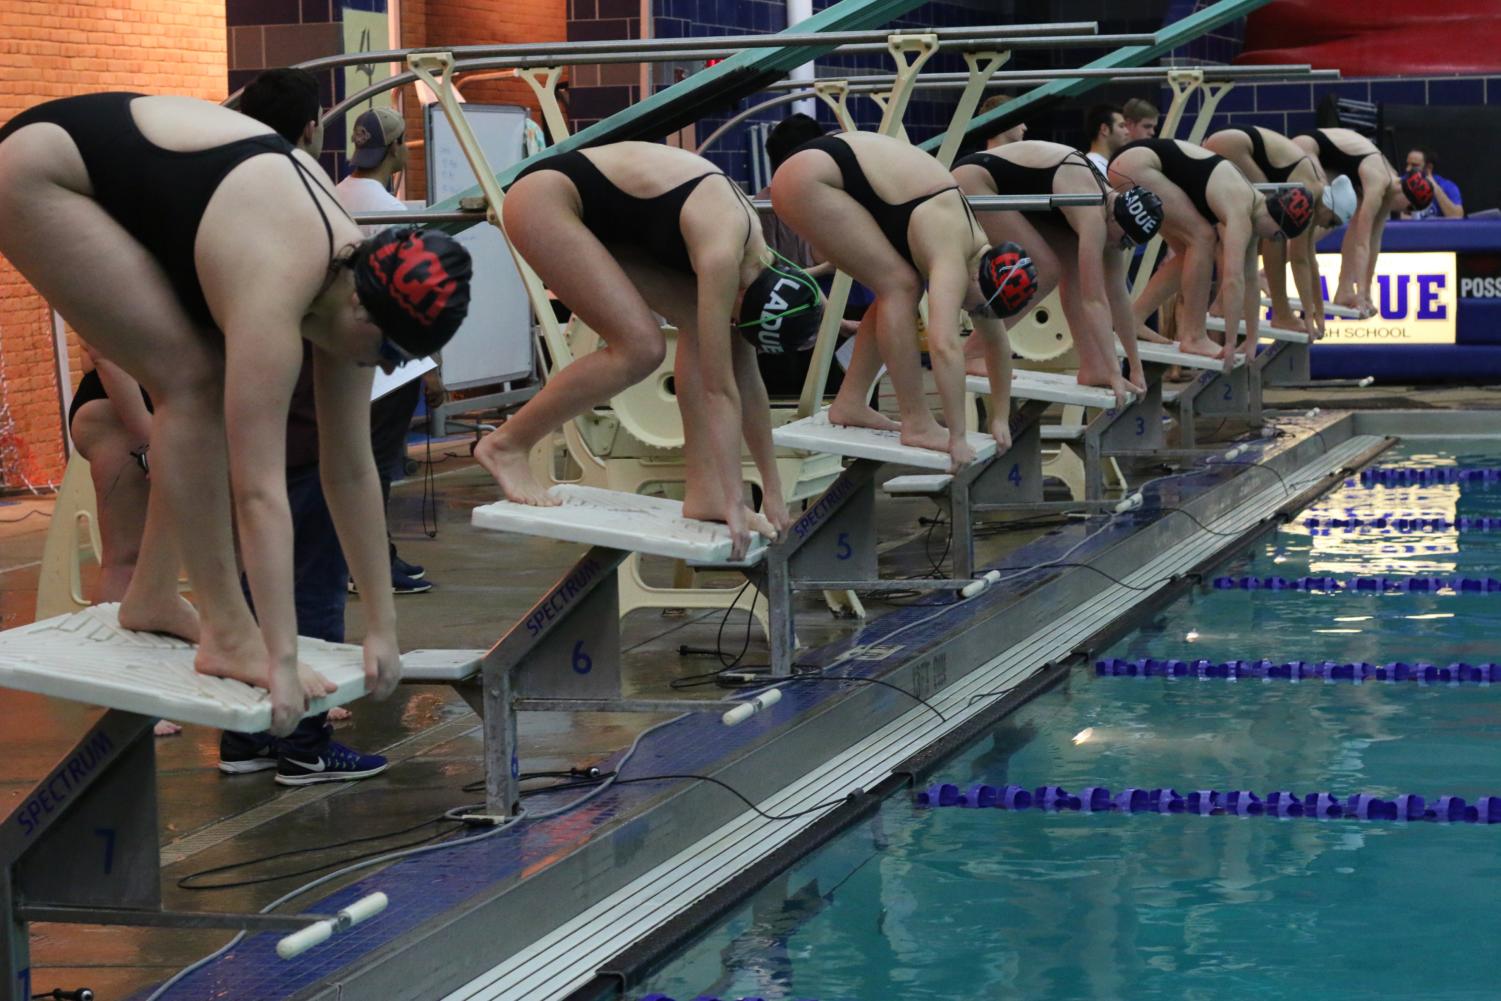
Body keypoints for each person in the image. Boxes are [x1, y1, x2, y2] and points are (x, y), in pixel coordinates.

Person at [0, 90, 472, 736]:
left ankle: (155, 594)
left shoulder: (351, 279)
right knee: (193, 380)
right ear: (364, 310)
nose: (382, 368)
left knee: (197, 375)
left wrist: (383, 628)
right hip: (36, 173)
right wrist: (277, 653)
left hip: (137, 177)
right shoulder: (281, 280)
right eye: (387, 354)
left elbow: (353, 468)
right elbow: (257, 490)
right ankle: (224, 629)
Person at [477, 141, 818, 558]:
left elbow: (748, 384)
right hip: (546, 200)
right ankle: (506, 444)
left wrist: (774, 491)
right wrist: (737, 498)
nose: (729, 322)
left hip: (610, 220)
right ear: (745, 295)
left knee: (713, 338)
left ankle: (705, 492)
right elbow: (719, 390)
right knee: (640, 347)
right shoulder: (721, 255)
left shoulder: (757, 260)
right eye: (735, 317)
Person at [211, 67, 390, 781]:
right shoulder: (311, 207)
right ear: (312, 129)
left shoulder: (234, 198)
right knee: (312, 572)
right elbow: (351, 464)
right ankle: (304, 739)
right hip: (301, 430)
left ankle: (247, 730)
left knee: (254, 573)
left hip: (246, 421)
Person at [771, 131, 1039, 471]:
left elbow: (997, 342)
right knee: (900, 286)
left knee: (895, 285)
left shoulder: (981, 261)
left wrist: (1000, 417)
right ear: (976, 277)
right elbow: (944, 346)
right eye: (978, 308)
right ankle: (916, 421)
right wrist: (957, 436)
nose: (974, 314)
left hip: (829, 169)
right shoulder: (952, 254)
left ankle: (851, 401)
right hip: (811, 178)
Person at [953, 139, 1164, 406]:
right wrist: (1115, 372)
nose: (1121, 248)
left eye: (1129, 245)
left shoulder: (1114, 215)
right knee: (1046, 270)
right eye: (1123, 241)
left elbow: (1119, 297)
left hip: (1020, 189)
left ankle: (1092, 366)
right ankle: (972, 353)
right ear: (1114, 218)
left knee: (1072, 271)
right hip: (975, 181)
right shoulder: (1093, 215)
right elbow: (1094, 301)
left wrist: (1135, 367)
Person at [336, 105, 438, 595]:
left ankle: (362, 557)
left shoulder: (332, 197)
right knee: (375, 466)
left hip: (338, 355)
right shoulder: (391, 213)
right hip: (389, 363)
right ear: (397, 149)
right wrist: (430, 368)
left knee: (344, 461)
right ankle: (368, 564)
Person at [1109, 137, 1314, 370]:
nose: (1271, 241)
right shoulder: (1241, 210)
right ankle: (1193, 336)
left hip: (1134, 163)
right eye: (1277, 236)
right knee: (1202, 237)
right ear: (1276, 222)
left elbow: (1250, 280)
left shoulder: (1253, 209)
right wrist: (1228, 343)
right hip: (1136, 165)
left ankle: (1134, 318)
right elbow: (1232, 279)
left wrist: (1251, 340)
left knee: (1191, 250)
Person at [66, 345, 181, 737]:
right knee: (125, 558)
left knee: (150, 556)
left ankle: (134, 690)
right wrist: (148, 437)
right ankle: (126, 699)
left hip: (150, 400)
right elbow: (102, 350)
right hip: (116, 405)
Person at [1203, 125, 1358, 337]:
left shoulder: (1317, 194)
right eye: (1332, 222)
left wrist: (1317, 312)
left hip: (1230, 142)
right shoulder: (1309, 193)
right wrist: (1309, 314)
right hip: (1233, 145)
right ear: (1330, 207)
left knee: (1262, 224)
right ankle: (1281, 313)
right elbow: (1298, 260)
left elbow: (1308, 259)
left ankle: (1222, 303)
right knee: (1273, 230)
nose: (1327, 227)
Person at [1292, 127, 1433, 316]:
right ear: (1405, 196)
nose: (1404, 212)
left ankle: (1344, 290)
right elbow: (1361, 243)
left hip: (1326, 160)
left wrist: (1366, 293)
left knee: (1341, 217)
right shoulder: (1378, 183)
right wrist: (1360, 296)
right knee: (1325, 210)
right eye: (1408, 208)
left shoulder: (1388, 189)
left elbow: (1374, 243)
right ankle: (1266, 274)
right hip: (1306, 148)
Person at [1403, 148, 1463, 220]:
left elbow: (1457, 217)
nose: (1408, 169)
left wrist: (1434, 187)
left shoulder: (1448, 186)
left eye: (1414, 165)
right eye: (1407, 164)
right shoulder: (1402, 183)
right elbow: (1393, 216)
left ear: (1429, 167)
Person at [1083, 103, 1129, 175]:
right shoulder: (1093, 166)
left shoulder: (1099, 164)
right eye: (1121, 126)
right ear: (1104, 129)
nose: (1127, 132)